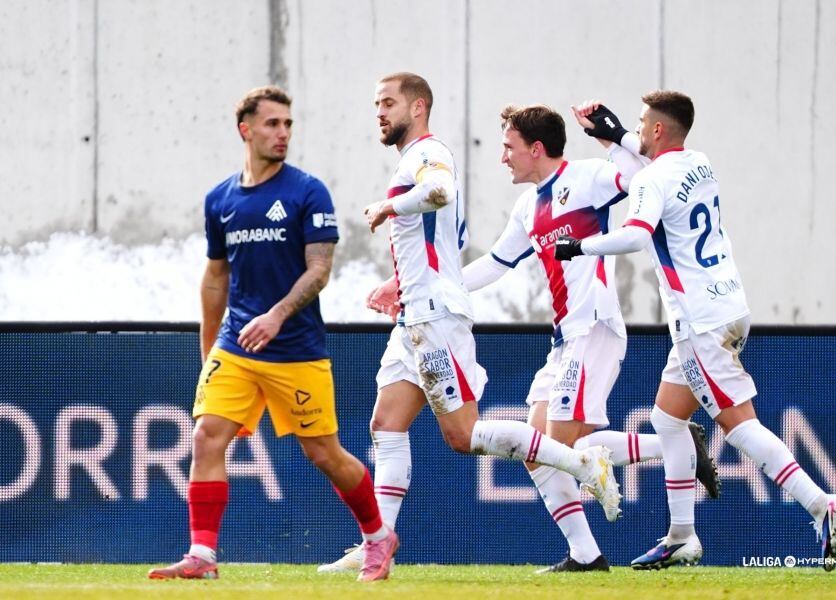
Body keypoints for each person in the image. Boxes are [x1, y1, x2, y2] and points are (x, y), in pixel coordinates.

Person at [318, 72, 620, 573]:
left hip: (436, 318)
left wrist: (388, 205)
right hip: (416, 312)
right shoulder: (417, 161)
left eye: (388, 103)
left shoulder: (427, 154)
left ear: (418, 108)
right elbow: (453, 250)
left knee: (462, 435)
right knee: (385, 423)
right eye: (377, 103)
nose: (380, 111)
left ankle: (582, 462)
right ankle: (378, 541)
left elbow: (438, 189)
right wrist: (400, 285)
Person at [555, 90, 836, 571]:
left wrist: (579, 247)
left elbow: (635, 234)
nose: (637, 128)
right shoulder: (700, 161)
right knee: (668, 420)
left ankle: (821, 504)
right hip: (728, 305)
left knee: (739, 427)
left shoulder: (651, 178)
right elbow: (657, 156)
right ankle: (681, 536)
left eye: (641, 122)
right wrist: (615, 138)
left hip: (698, 322)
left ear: (656, 130)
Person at [147, 86, 398, 582]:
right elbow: (216, 277)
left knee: (323, 453)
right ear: (246, 129)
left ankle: (378, 537)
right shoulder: (220, 199)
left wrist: (278, 315)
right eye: (272, 124)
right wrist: (210, 351)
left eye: (288, 125)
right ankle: (202, 555)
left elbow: (320, 270)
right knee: (206, 435)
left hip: (295, 349)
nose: (282, 133)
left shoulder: (307, 191)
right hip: (237, 346)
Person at [457, 102, 719, 572]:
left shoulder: (589, 177)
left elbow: (646, 179)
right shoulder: (526, 206)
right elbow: (495, 264)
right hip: (563, 340)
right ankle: (586, 555)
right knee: (538, 452)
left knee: (562, 451)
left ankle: (673, 446)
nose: (503, 157)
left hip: (594, 329)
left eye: (508, 147)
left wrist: (615, 138)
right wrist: (433, 288)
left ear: (536, 149)